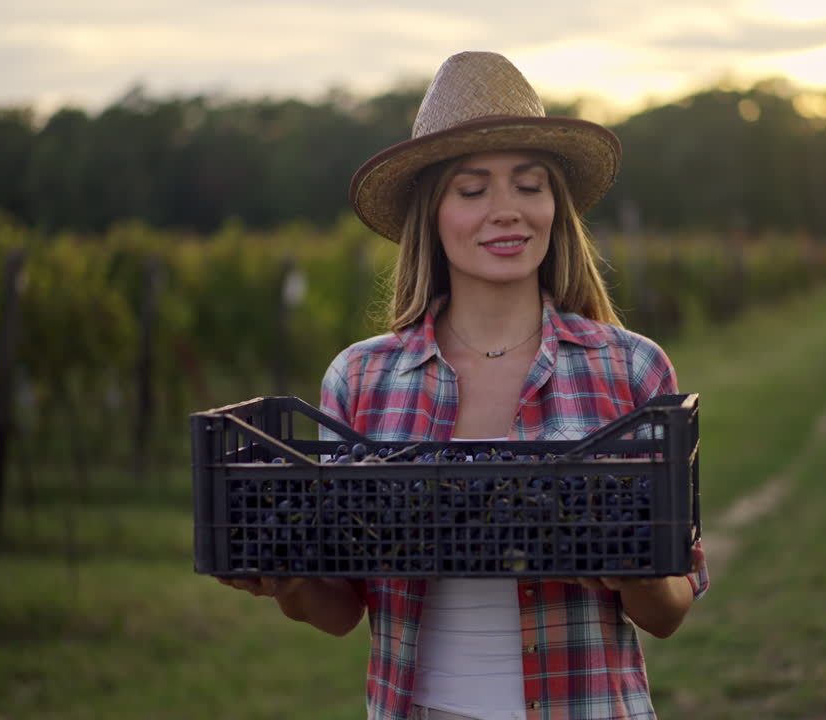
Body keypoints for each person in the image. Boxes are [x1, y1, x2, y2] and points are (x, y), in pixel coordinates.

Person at [220, 51, 709, 720]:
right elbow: (339, 609)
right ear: (434, 214)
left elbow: (670, 608)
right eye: (473, 190)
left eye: (529, 185)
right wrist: (286, 582)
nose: (506, 210)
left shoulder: (629, 368)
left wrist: (636, 574)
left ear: (555, 209)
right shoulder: (362, 380)